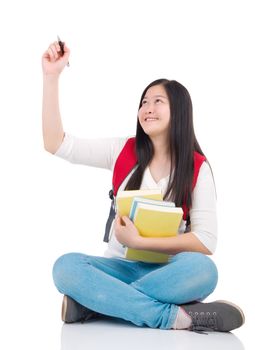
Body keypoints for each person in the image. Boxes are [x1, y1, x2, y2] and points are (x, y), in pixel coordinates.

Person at [42, 41, 245, 332]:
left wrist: (140, 242)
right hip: (117, 268)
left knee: (204, 271)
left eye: (157, 101)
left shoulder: (197, 167)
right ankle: (172, 317)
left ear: (180, 110)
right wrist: (51, 77)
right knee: (65, 267)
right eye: (144, 102)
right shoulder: (121, 151)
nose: (147, 109)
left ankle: (93, 304)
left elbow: (205, 241)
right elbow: (57, 144)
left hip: (168, 272)